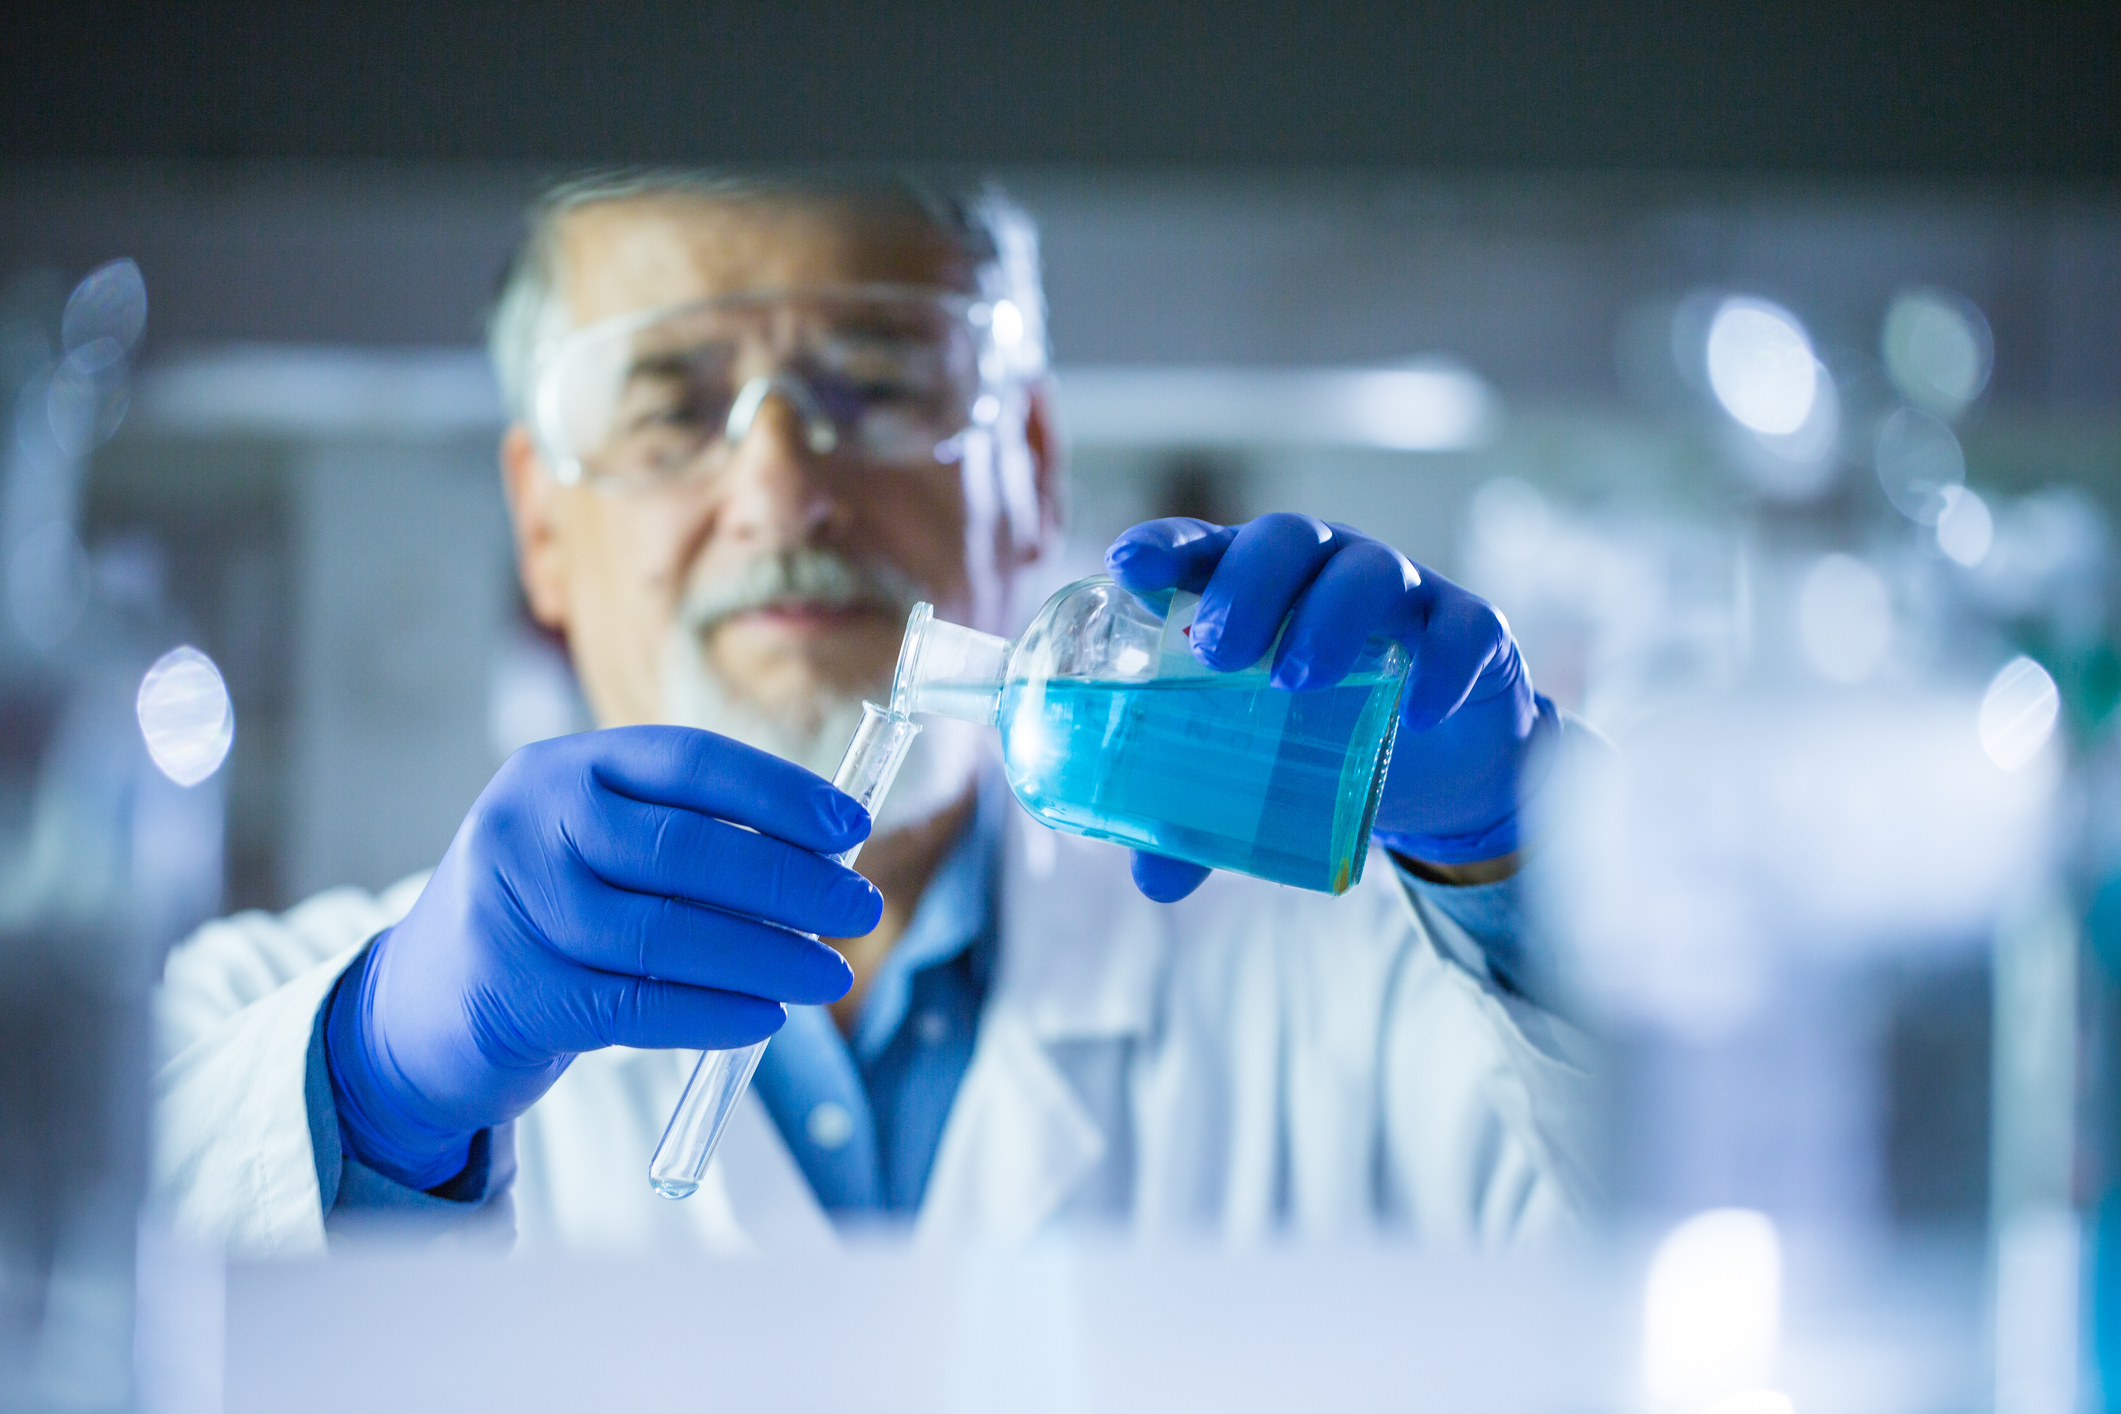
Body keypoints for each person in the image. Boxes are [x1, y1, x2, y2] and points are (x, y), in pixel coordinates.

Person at [151, 171, 1597, 1256]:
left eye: (883, 382)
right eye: (669, 405)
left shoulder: (1365, 983)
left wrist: (1540, 873)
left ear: (1026, 464)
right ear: (540, 519)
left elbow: (1727, 1264)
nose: (782, 490)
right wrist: (378, 1097)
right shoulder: (271, 1017)